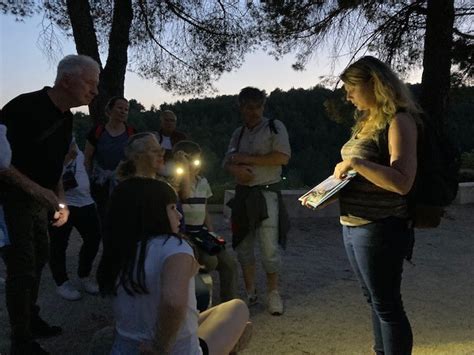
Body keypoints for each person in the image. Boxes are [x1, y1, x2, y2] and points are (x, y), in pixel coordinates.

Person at [306, 56, 419, 354]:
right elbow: (362, 173)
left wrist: (355, 162)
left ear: (374, 84)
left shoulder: (399, 120)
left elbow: (402, 182)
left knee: (387, 304)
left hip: (381, 226)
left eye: (352, 87)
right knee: (374, 299)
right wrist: (331, 187)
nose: (347, 95)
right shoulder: (367, 121)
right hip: (353, 224)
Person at [0, 54, 100, 354]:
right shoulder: (23, 107)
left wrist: (60, 199)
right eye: (90, 83)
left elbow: (56, 163)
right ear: (67, 80)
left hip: (40, 200)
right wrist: (36, 191)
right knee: (22, 268)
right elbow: (1, 162)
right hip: (11, 199)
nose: (94, 91)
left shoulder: (66, 117)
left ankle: (31, 319)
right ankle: (21, 341)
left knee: (40, 258)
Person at [97, 178, 251, 354]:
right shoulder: (173, 246)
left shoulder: (118, 249)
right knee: (238, 308)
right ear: (151, 212)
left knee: (203, 316)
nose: (179, 214)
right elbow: (173, 302)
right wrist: (159, 347)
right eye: (171, 208)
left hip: (123, 348)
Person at [224, 87, 291, 316]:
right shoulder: (238, 133)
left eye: (257, 107)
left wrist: (245, 159)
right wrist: (236, 169)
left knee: (269, 247)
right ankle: (250, 293)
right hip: (243, 195)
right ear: (240, 107)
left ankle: (273, 293)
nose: (253, 112)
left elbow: (282, 157)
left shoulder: (274, 127)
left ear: (263, 106)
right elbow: (227, 161)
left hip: (266, 194)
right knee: (243, 245)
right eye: (248, 107)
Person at [173, 140, 238, 303]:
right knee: (210, 261)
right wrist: (186, 171)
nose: (196, 164)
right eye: (192, 160)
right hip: (186, 233)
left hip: (201, 230)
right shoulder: (176, 181)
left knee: (229, 264)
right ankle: (198, 298)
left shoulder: (203, 181)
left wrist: (211, 232)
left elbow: (205, 210)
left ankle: (228, 303)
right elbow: (185, 195)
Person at [48, 139, 101, 301]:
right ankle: (62, 283)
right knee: (59, 244)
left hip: (86, 202)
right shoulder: (52, 150)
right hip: (63, 204)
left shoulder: (79, 151)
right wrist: (67, 159)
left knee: (93, 239)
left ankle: (84, 275)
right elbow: (51, 175)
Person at [84, 96, 135, 222]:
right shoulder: (97, 131)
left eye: (126, 109)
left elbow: (135, 158)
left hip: (124, 183)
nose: (123, 111)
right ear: (110, 110)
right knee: (102, 217)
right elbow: (87, 157)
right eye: (120, 108)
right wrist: (87, 180)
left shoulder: (132, 133)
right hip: (100, 183)